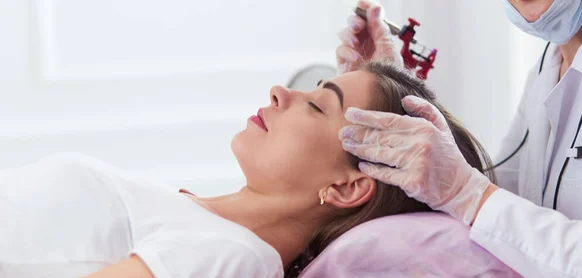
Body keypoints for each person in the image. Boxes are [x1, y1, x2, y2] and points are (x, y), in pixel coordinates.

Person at [0, 61, 495, 277]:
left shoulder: (232, 256)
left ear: (348, 187)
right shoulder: (201, 220)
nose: (281, 92)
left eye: (318, 105)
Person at [337, 0, 582, 277]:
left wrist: (470, 194)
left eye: (317, 106)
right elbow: (497, 196)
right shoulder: (548, 67)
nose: (285, 93)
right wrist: (392, 98)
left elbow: (476, 195)